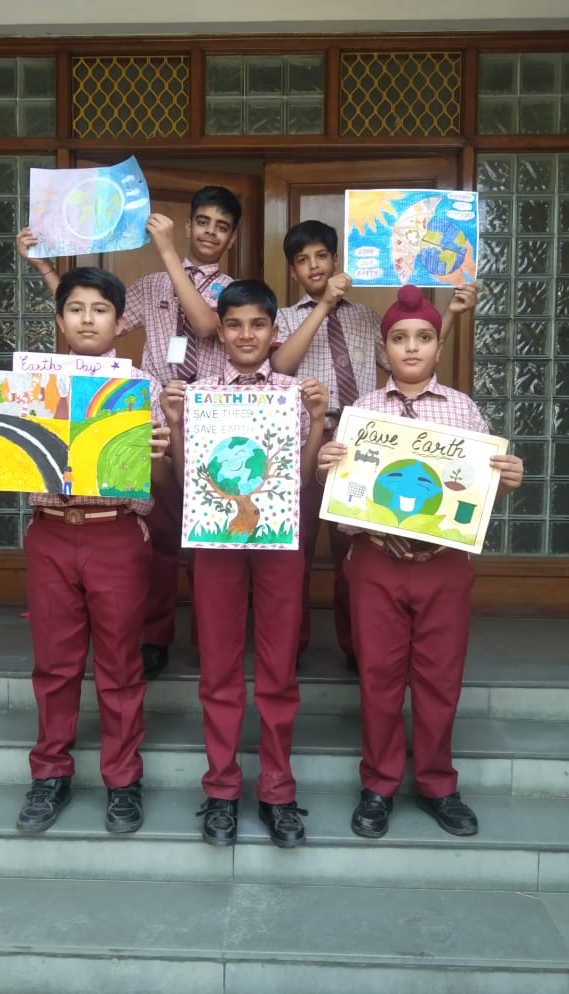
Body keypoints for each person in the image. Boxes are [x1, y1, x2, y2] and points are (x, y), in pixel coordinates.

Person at [317, 284, 523, 840]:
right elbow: (345, 494)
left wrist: (503, 483)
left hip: (443, 564)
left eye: (424, 337)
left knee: (439, 678)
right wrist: (325, 465)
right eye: (400, 338)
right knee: (379, 678)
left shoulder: (463, 408)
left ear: (438, 346)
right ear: (384, 350)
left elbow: (473, 491)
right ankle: (379, 784)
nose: (411, 347)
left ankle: (437, 784)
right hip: (376, 560)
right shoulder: (362, 412)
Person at [0, 267, 172, 835]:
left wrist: (161, 453)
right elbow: (10, 460)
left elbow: (161, 478)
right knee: (55, 664)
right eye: (76, 308)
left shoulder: (141, 387)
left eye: (100, 309)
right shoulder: (30, 385)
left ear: (119, 320)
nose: (88, 319)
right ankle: (50, 774)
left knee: (120, 664)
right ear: (60, 320)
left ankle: (123, 779)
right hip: (52, 532)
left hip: (115, 533)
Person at [17, 185, 242, 681]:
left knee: (214, 539)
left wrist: (166, 251)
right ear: (190, 225)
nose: (210, 232)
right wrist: (45, 269)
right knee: (156, 535)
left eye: (222, 226)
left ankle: (211, 641)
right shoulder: (148, 286)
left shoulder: (232, 290)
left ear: (231, 239)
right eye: (203, 221)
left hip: (216, 421)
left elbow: (205, 327)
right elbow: (96, 319)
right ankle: (154, 636)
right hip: (145, 415)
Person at [160, 279, 328, 849]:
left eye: (258, 324)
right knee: (219, 668)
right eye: (234, 324)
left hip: (279, 541)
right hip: (216, 543)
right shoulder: (199, 393)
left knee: (278, 671)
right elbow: (186, 481)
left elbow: (301, 481)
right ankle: (222, 789)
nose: (246, 334)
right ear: (222, 332)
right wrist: (177, 422)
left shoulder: (295, 393)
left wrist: (318, 421)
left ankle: (278, 790)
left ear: (274, 331)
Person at [271, 220, 477, 672]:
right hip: (305, 437)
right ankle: (292, 647)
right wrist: (324, 306)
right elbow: (281, 365)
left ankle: (357, 646)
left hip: (365, 440)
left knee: (357, 547)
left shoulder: (366, 316)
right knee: (294, 550)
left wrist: (452, 313)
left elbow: (409, 357)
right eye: (303, 260)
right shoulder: (285, 318)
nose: (313, 266)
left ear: (335, 260)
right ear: (292, 271)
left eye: (321, 256)